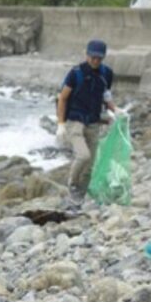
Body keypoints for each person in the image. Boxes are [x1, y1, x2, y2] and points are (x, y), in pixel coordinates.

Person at [56, 39, 118, 203]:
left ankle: (79, 198)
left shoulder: (106, 74)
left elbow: (106, 96)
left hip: (93, 120)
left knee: (90, 165)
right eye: (92, 57)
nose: (95, 61)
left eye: (99, 58)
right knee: (83, 155)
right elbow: (62, 98)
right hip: (74, 119)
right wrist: (61, 124)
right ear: (87, 54)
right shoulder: (75, 73)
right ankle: (72, 183)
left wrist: (115, 110)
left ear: (103, 57)